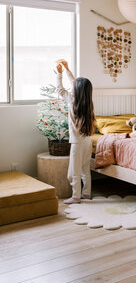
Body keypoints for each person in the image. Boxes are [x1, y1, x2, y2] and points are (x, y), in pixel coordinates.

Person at [56, 60, 95, 204]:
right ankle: (87, 194)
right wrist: (67, 69)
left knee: (74, 172)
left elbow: (60, 90)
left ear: (76, 91)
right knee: (85, 169)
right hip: (87, 141)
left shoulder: (73, 101)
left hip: (77, 143)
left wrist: (60, 74)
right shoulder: (88, 102)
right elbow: (77, 84)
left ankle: (76, 196)